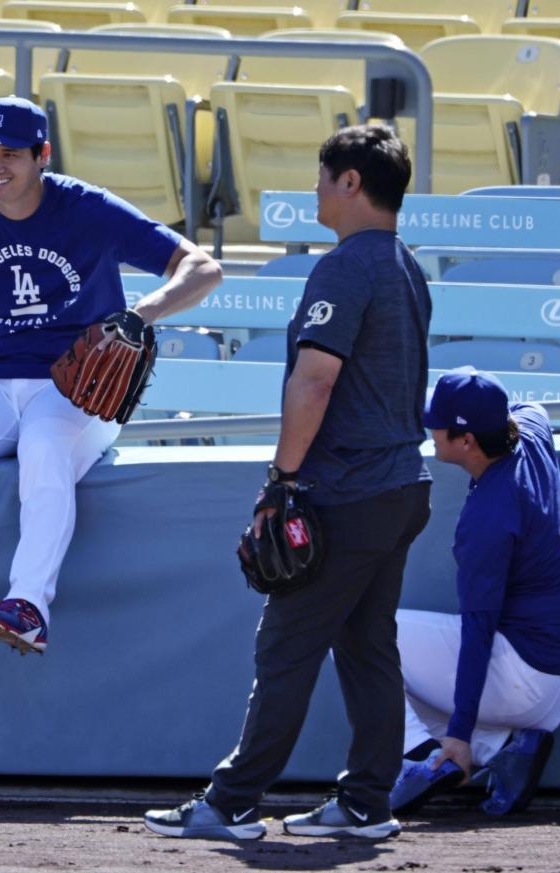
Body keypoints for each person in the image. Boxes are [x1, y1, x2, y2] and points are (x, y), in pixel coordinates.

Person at [0, 96, 222, 670]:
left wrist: (139, 314)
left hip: (74, 386)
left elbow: (202, 267)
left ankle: (28, 605)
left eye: (9, 153)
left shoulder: (87, 207)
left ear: (42, 154)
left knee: (44, 446)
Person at [144, 125, 433, 841]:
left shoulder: (346, 266)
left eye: (323, 176)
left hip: (349, 488)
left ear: (351, 182)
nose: (315, 189)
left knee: (286, 648)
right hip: (400, 485)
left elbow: (315, 379)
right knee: (368, 647)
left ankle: (233, 802)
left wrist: (283, 479)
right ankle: (366, 802)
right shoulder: (406, 264)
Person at [389, 368, 560, 816]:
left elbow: (478, 632)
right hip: (557, 679)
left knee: (357, 631)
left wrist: (458, 732)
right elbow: (532, 408)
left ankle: (429, 758)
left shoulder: (488, 520)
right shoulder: (529, 435)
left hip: (520, 675)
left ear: (467, 441)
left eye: (439, 424)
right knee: (388, 662)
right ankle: (503, 749)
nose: (430, 429)